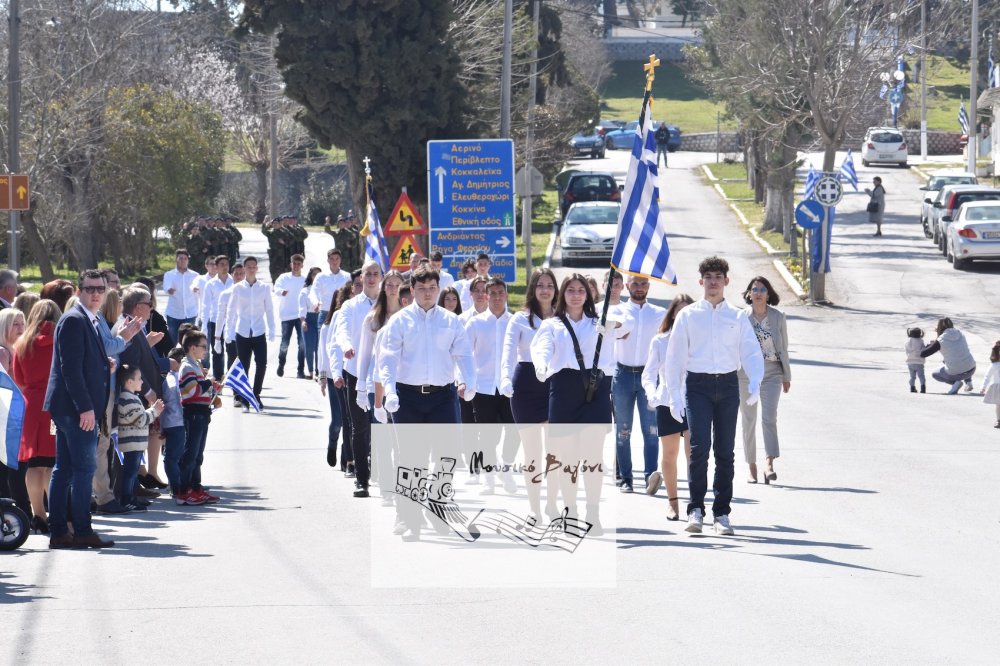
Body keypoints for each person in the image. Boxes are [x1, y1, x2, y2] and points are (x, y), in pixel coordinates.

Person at [665, 257, 764, 536]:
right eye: (708, 276)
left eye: (718, 276)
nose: (713, 281)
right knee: (698, 449)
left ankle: (721, 513)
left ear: (726, 281)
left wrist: (755, 381)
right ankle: (695, 509)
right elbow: (674, 357)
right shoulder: (688, 315)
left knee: (724, 452)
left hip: (728, 385)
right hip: (697, 385)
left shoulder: (737, 316)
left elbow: (750, 351)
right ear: (700, 281)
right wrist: (674, 394)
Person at [530, 273, 629, 533]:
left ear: (589, 294)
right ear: (563, 295)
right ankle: (571, 510)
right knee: (568, 458)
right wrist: (542, 366)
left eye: (581, 290)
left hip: (596, 390)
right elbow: (541, 348)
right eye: (570, 290)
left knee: (593, 456)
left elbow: (627, 327)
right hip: (564, 389)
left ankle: (593, 512)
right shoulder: (552, 324)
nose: (576, 295)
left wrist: (612, 325)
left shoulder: (599, 320)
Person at [44, 270, 116, 549]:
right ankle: (81, 530)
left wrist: (102, 365)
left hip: (70, 407)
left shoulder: (90, 318)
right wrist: (85, 408)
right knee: (83, 469)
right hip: (75, 409)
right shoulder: (75, 319)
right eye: (89, 289)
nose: (95, 293)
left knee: (64, 469)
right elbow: (69, 369)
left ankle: (60, 532)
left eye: (100, 288)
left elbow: (80, 362)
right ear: (79, 292)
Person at [499, 268, 557, 520]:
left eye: (550, 285)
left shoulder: (563, 318)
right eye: (540, 285)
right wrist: (504, 377)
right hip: (526, 386)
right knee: (532, 452)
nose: (545, 290)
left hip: (555, 385)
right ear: (533, 289)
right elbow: (509, 351)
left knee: (555, 451)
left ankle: (552, 503)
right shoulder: (520, 319)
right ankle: (534, 508)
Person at [611, 274, 665, 494]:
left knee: (651, 430)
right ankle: (626, 478)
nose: (640, 288)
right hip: (622, 375)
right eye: (635, 284)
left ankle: (650, 476)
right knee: (623, 431)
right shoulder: (617, 312)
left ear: (649, 287)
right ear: (627, 286)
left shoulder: (660, 314)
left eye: (644, 284)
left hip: (649, 377)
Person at [11, 300, 62, 533]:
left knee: (33, 463)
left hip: (30, 406)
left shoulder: (22, 344)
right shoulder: (61, 340)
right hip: (53, 404)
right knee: (52, 463)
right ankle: (57, 514)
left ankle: (38, 514)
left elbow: (19, 379)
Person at [334, 260, 384, 497]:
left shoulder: (390, 304)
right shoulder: (350, 306)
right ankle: (362, 479)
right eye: (368, 274)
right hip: (356, 372)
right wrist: (346, 346)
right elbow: (341, 330)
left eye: (376, 274)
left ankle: (384, 472)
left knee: (383, 424)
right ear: (361, 277)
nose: (372, 278)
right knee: (360, 426)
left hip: (384, 374)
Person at [642, 294, 694, 521]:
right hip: (666, 402)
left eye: (687, 311)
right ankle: (673, 503)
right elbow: (649, 373)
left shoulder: (700, 341)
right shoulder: (660, 341)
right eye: (678, 311)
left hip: (694, 402)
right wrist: (652, 394)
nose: (682, 316)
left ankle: (696, 503)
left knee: (694, 454)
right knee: (670, 454)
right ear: (672, 314)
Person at [737, 276, 791, 485]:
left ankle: (769, 463)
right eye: (755, 289)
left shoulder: (778, 317)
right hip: (746, 374)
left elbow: (784, 348)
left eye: (763, 289)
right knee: (748, 419)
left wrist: (786, 375)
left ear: (769, 294)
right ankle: (751, 466)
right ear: (749, 294)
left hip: (772, 372)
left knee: (769, 417)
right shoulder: (741, 317)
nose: (758, 293)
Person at [465, 277, 515, 494]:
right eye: (492, 293)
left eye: (500, 293)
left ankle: (506, 468)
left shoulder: (515, 322)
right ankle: (489, 478)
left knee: (514, 432)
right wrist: (464, 381)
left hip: (510, 386)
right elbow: (465, 355)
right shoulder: (475, 323)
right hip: (483, 387)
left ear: (506, 295)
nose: (496, 297)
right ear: (486, 296)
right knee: (487, 435)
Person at [225, 256, 276, 408]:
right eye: (249, 267)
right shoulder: (238, 288)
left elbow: (269, 309)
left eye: (254, 266)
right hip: (242, 332)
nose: (252, 269)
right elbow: (231, 310)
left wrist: (272, 328)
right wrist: (229, 331)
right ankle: (244, 395)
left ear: (257, 269)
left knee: (261, 364)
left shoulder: (264, 287)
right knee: (244, 365)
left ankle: (256, 393)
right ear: (244, 269)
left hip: (259, 331)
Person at [178, 331, 219, 505]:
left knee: (198, 455)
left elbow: (200, 390)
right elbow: (192, 391)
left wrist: (212, 388)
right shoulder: (187, 367)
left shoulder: (195, 365)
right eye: (203, 347)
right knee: (191, 453)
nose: (206, 350)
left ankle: (196, 488)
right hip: (193, 413)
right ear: (192, 347)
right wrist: (208, 382)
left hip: (201, 413)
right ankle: (183, 491)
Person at [116, 365, 164, 512]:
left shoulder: (131, 398)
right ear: (129, 382)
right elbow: (141, 420)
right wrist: (154, 411)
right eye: (139, 379)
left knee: (132, 472)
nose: (142, 382)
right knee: (130, 473)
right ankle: (126, 499)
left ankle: (130, 497)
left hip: (135, 444)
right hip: (132, 444)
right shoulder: (127, 399)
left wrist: (151, 410)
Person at [159, 348, 191, 502]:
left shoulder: (169, 378)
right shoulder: (176, 379)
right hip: (177, 422)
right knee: (172, 458)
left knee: (173, 456)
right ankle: (177, 487)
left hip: (170, 422)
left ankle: (178, 485)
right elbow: (181, 399)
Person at [215, 262, 245, 406]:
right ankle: (237, 395)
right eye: (236, 274)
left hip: (247, 335)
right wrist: (217, 338)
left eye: (241, 273)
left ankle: (244, 392)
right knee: (233, 364)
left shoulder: (250, 293)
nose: (239, 276)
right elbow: (220, 317)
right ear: (232, 275)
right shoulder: (225, 294)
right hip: (231, 335)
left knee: (244, 364)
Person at [920, 317, 977, 394]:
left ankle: (955, 383)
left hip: (957, 373)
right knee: (962, 357)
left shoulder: (940, 340)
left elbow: (923, 354)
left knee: (935, 374)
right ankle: (969, 382)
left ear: (939, 328)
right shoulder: (960, 333)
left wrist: (931, 345)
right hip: (972, 368)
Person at [201, 256, 234, 382]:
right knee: (217, 351)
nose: (225, 267)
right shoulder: (211, 284)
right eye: (222, 264)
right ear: (216, 266)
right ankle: (218, 377)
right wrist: (204, 324)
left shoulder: (234, 282)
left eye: (226, 264)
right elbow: (206, 306)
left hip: (231, 322)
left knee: (232, 351)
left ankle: (231, 377)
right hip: (215, 321)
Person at [274, 254, 307, 378]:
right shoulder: (284, 277)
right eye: (294, 263)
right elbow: (276, 288)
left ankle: (300, 370)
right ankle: (281, 364)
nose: (296, 266)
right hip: (287, 315)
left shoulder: (305, 279)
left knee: (302, 344)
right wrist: (281, 292)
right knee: (285, 343)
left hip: (301, 315)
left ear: (302, 265)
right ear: (291, 264)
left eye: (299, 264)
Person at [163, 249, 201, 343]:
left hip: (190, 314)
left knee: (188, 342)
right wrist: (170, 290)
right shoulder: (169, 275)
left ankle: (187, 358)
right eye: (180, 258)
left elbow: (199, 288)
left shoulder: (195, 275)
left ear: (188, 260)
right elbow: (166, 287)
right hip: (173, 314)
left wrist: (197, 289)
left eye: (185, 258)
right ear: (176, 259)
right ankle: (172, 358)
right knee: (172, 342)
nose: (182, 261)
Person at [311, 249, 351, 324]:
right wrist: (315, 302)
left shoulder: (347, 276)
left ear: (340, 260)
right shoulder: (321, 276)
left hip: (342, 313)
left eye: (337, 258)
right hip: (325, 313)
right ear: (328, 260)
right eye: (332, 259)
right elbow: (314, 291)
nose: (334, 261)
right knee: (323, 335)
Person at [300, 267, 323, 380]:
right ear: (310, 276)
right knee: (309, 347)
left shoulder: (323, 289)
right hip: (309, 319)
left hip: (321, 318)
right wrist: (303, 321)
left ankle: (319, 371)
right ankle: (310, 370)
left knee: (320, 347)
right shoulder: (305, 291)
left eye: (318, 274)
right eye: (314, 274)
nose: (316, 277)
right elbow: (302, 308)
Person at [191, 256, 217, 327]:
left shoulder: (224, 280)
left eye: (216, 264)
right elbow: (193, 285)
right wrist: (194, 288)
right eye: (212, 264)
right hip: (204, 317)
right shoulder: (200, 279)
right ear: (206, 266)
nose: (214, 266)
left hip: (219, 318)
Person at [979, 340, 1000, 428]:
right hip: (998, 387)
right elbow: (987, 376)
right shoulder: (994, 365)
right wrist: (983, 387)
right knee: (999, 405)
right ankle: (999, 420)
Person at [0, 308, 25, 373]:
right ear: (4, 326)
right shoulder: (3, 352)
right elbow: (2, 381)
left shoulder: (17, 349)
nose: (21, 328)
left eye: (22, 323)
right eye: (15, 324)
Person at [905, 327, 928, 394]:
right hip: (919, 362)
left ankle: (912, 387)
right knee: (921, 376)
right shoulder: (921, 341)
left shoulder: (908, 342)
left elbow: (907, 350)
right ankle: (923, 387)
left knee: (912, 377)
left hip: (910, 362)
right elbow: (923, 350)